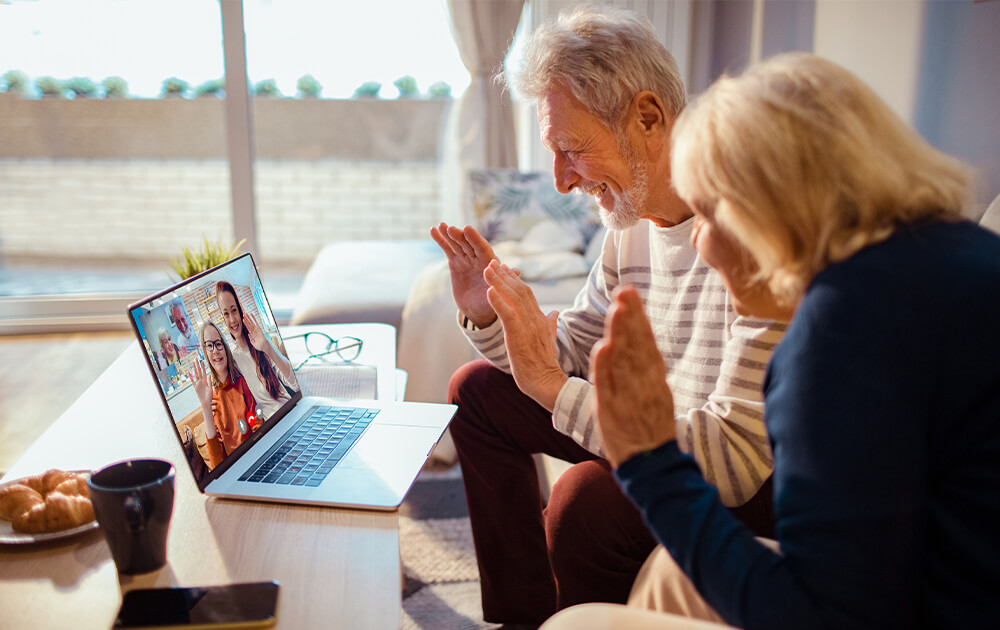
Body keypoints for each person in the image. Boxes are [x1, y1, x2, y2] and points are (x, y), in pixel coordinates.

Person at [578, 52, 1000, 628]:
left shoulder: (837, 335)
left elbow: (816, 617)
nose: (698, 243)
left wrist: (649, 460)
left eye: (704, 213)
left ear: (766, 210)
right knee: (667, 575)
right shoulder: (966, 255)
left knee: (575, 625)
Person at [429, 5, 785, 625]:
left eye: (573, 150)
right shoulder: (630, 223)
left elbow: (732, 464)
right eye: (554, 153)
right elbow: (571, 351)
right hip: (653, 428)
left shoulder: (751, 231)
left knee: (584, 499)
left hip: (748, 479)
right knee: (478, 392)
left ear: (648, 117)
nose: (563, 182)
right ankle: (527, 615)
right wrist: (491, 317)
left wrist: (553, 388)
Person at [214, 280, 292, 420]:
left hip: (289, 411)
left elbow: (295, 384)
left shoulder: (261, 342)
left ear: (240, 310)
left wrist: (267, 348)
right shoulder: (233, 360)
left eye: (234, 310)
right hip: (270, 427)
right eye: (226, 314)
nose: (232, 319)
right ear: (223, 319)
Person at [190, 322, 260, 468]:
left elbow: (257, 426)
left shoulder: (242, 383)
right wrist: (205, 408)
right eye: (209, 345)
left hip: (256, 459)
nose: (215, 350)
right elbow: (217, 464)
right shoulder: (211, 400)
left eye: (218, 344)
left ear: (224, 346)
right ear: (205, 352)